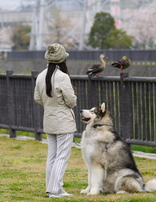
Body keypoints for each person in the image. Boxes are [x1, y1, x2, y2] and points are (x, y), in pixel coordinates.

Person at [34, 43, 77, 198]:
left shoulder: (40, 76)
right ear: (62, 59)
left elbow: (37, 98)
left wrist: (50, 106)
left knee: (52, 155)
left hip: (49, 120)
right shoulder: (63, 77)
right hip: (63, 121)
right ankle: (55, 190)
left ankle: (51, 187)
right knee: (62, 156)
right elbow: (71, 101)